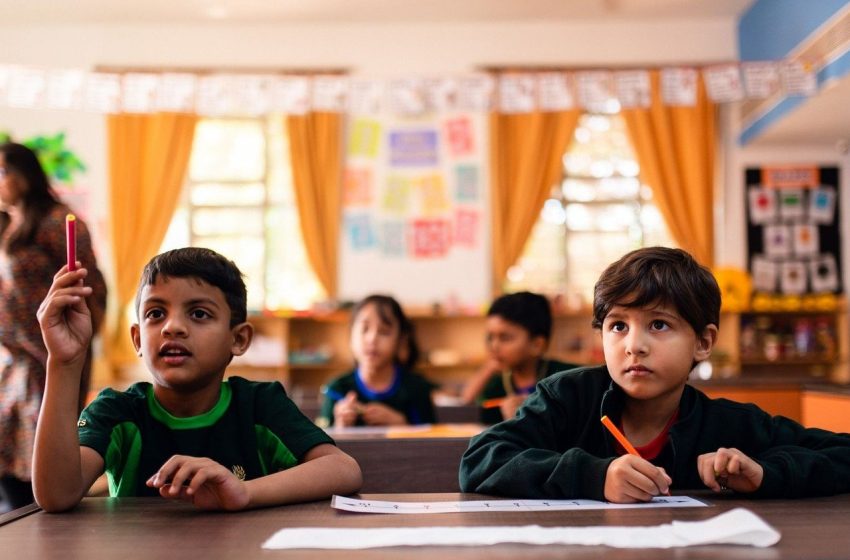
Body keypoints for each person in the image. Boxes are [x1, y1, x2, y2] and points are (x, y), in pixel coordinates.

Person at [460, 247, 850, 502]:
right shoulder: (568, 397)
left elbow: (842, 453)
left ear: (703, 342)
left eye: (659, 325)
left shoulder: (727, 424)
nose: (634, 345)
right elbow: (480, 459)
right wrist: (597, 476)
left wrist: (766, 474)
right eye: (618, 326)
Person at [32, 247, 361, 512]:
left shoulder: (260, 405)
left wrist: (243, 493)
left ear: (239, 339)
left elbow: (343, 470)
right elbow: (56, 496)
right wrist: (64, 361)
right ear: (137, 340)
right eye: (155, 313)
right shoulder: (116, 411)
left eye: (199, 313)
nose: (172, 327)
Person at [0, 142, 107, 511]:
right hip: (11, 357)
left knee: (38, 452)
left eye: (2, 172)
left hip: (45, 354)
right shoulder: (10, 223)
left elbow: (92, 283)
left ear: (25, 176)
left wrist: (75, 351)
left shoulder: (58, 221)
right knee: (7, 450)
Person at [460, 291, 578, 424]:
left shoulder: (567, 379)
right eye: (490, 337)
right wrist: (488, 369)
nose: (494, 346)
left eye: (505, 338)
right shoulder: (495, 385)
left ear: (537, 345)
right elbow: (467, 403)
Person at [319, 295, 436, 427]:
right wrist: (340, 426)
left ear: (401, 340)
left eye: (384, 331)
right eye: (364, 329)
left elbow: (431, 440)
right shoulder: (337, 389)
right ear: (351, 337)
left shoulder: (417, 388)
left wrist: (401, 424)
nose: (372, 339)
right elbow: (321, 441)